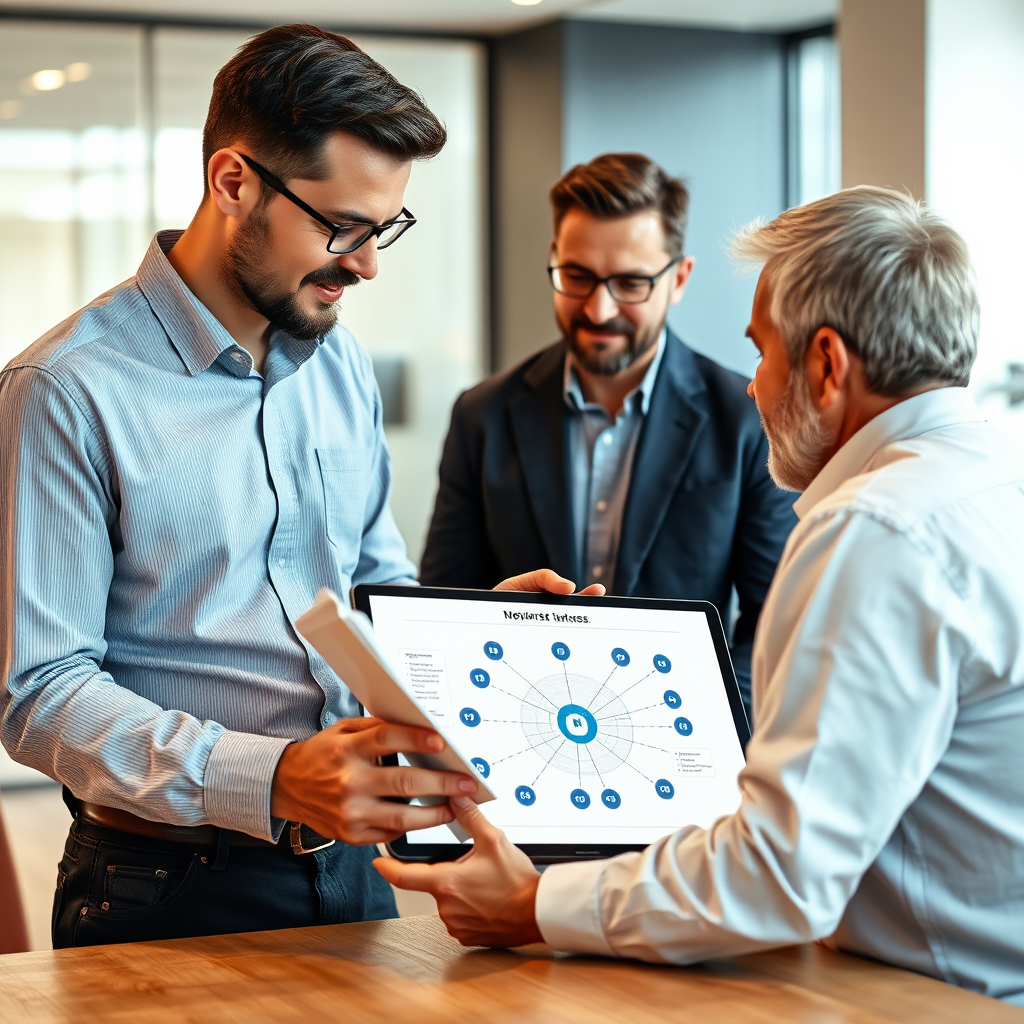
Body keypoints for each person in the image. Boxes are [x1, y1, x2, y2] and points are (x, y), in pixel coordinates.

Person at [0, 24, 582, 949]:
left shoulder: (336, 362)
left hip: (359, 868)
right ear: (234, 182)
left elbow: (368, 589)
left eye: (383, 227)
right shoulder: (66, 390)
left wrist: (467, 632)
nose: (367, 263)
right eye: (342, 226)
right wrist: (270, 777)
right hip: (163, 886)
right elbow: (39, 693)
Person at [378, 187, 1024, 1006]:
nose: (754, 388)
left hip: (939, 999)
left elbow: (781, 874)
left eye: (763, 353)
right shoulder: (996, 482)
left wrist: (534, 904)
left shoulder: (876, 530)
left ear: (825, 365)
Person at [420, 154, 796, 712]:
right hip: (515, 730)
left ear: (680, 279)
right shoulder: (484, 414)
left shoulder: (745, 419)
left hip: (685, 737)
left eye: (629, 283)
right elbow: (446, 608)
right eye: (577, 277)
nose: (598, 309)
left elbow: (774, 625)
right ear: (553, 260)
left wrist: (708, 727)